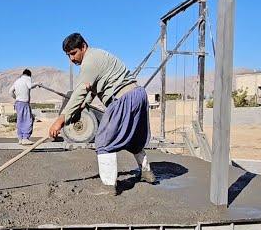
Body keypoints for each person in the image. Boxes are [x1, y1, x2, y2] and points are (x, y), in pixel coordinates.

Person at [49, 33, 156, 196]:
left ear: (83, 47)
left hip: (123, 98)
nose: (71, 59)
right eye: (68, 55)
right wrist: (80, 107)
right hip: (138, 95)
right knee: (135, 140)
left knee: (103, 141)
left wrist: (61, 119)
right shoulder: (99, 56)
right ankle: (147, 173)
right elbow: (91, 91)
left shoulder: (90, 62)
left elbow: (79, 92)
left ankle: (108, 186)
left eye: (73, 53)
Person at [9, 68, 39, 145]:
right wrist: (37, 84)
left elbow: (10, 91)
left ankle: (20, 138)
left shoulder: (17, 81)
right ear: (29, 74)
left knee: (20, 120)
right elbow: (30, 86)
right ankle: (25, 138)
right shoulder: (27, 78)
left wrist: (16, 97)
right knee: (28, 120)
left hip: (18, 103)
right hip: (24, 103)